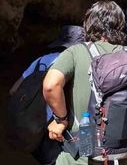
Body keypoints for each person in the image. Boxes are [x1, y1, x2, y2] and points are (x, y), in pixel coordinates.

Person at [42, 1, 127, 165]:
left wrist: (61, 120)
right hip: (125, 157)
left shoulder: (75, 52)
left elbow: (50, 86)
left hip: (81, 156)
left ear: (88, 24)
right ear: (120, 26)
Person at [8, 25, 85, 165]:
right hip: (57, 131)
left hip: (34, 130)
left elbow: (13, 90)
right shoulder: (75, 64)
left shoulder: (40, 61)